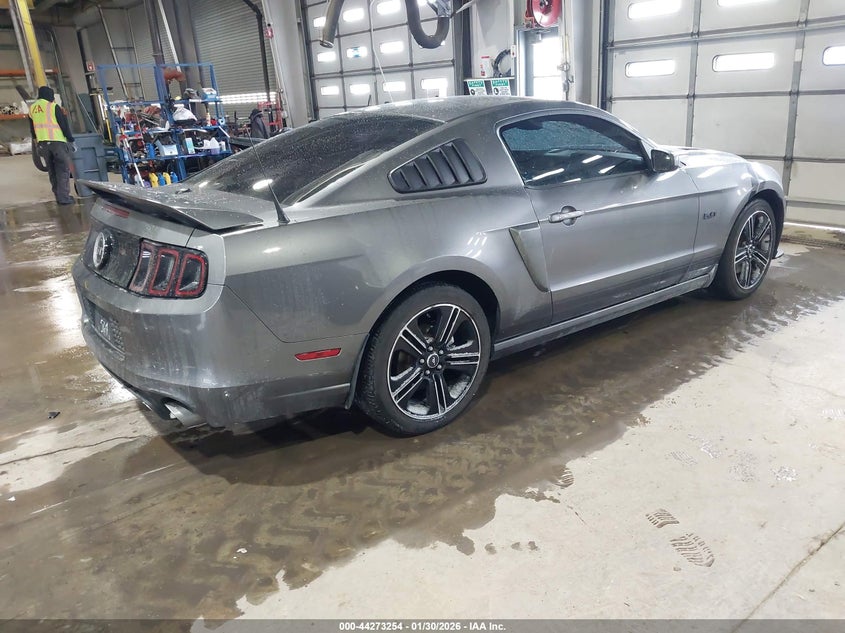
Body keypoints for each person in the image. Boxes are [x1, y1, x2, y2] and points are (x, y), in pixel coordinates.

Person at [29, 85, 76, 205]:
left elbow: (32, 130)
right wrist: (71, 139)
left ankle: (58, 196)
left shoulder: (32, 108)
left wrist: (36, 143)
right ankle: (64, 198)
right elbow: (63, 126)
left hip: (42, 144)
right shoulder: (53, 107)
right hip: (57, 143)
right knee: (62, 170)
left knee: (52, 171)